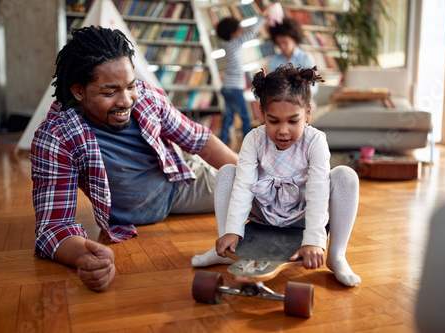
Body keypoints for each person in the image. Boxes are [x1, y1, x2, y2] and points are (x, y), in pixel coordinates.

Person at [31, 26, 238, 292]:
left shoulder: (147, 96)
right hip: (152, 206)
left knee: (256, 185)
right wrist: (84, 256)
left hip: (177, 176)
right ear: (79, 92)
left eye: (130, 85)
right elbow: (53, 227)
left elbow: (199, 140)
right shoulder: (56, 137)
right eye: (110, 92)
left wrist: (252, 176)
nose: (126, 100)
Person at [192, 64, 361, 287]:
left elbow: (319, 191)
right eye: (274, 121)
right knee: (227, 172)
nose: (283, 130)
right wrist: (233, 229)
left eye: (293, 121)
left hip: (300, 216)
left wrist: (314, 240)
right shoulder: (253, 139)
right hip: (264, 213)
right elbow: (243, 186)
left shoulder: (315, 141)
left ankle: (336, 255)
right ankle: (225, 246)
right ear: (262, 114)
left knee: (345, 176)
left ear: (307, 114)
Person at [215, 10, 268, 146]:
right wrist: (262, 17)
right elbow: (250, 33)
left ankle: (222, 142)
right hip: (234, 88)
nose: (240, 32)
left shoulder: (227, 45)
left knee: (229, 117)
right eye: (238, 30)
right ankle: (249, 144)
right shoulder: (234, 43)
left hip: (226, 87)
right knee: (245, 117)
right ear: (233, 34)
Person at [268, 17, 319, 96]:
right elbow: (272, 86)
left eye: (285, 42)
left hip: (303, 102)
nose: (282, 46)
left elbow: (313, 86)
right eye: (279, 43)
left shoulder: (305, 57)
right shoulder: (273, 61)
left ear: (294, 39)